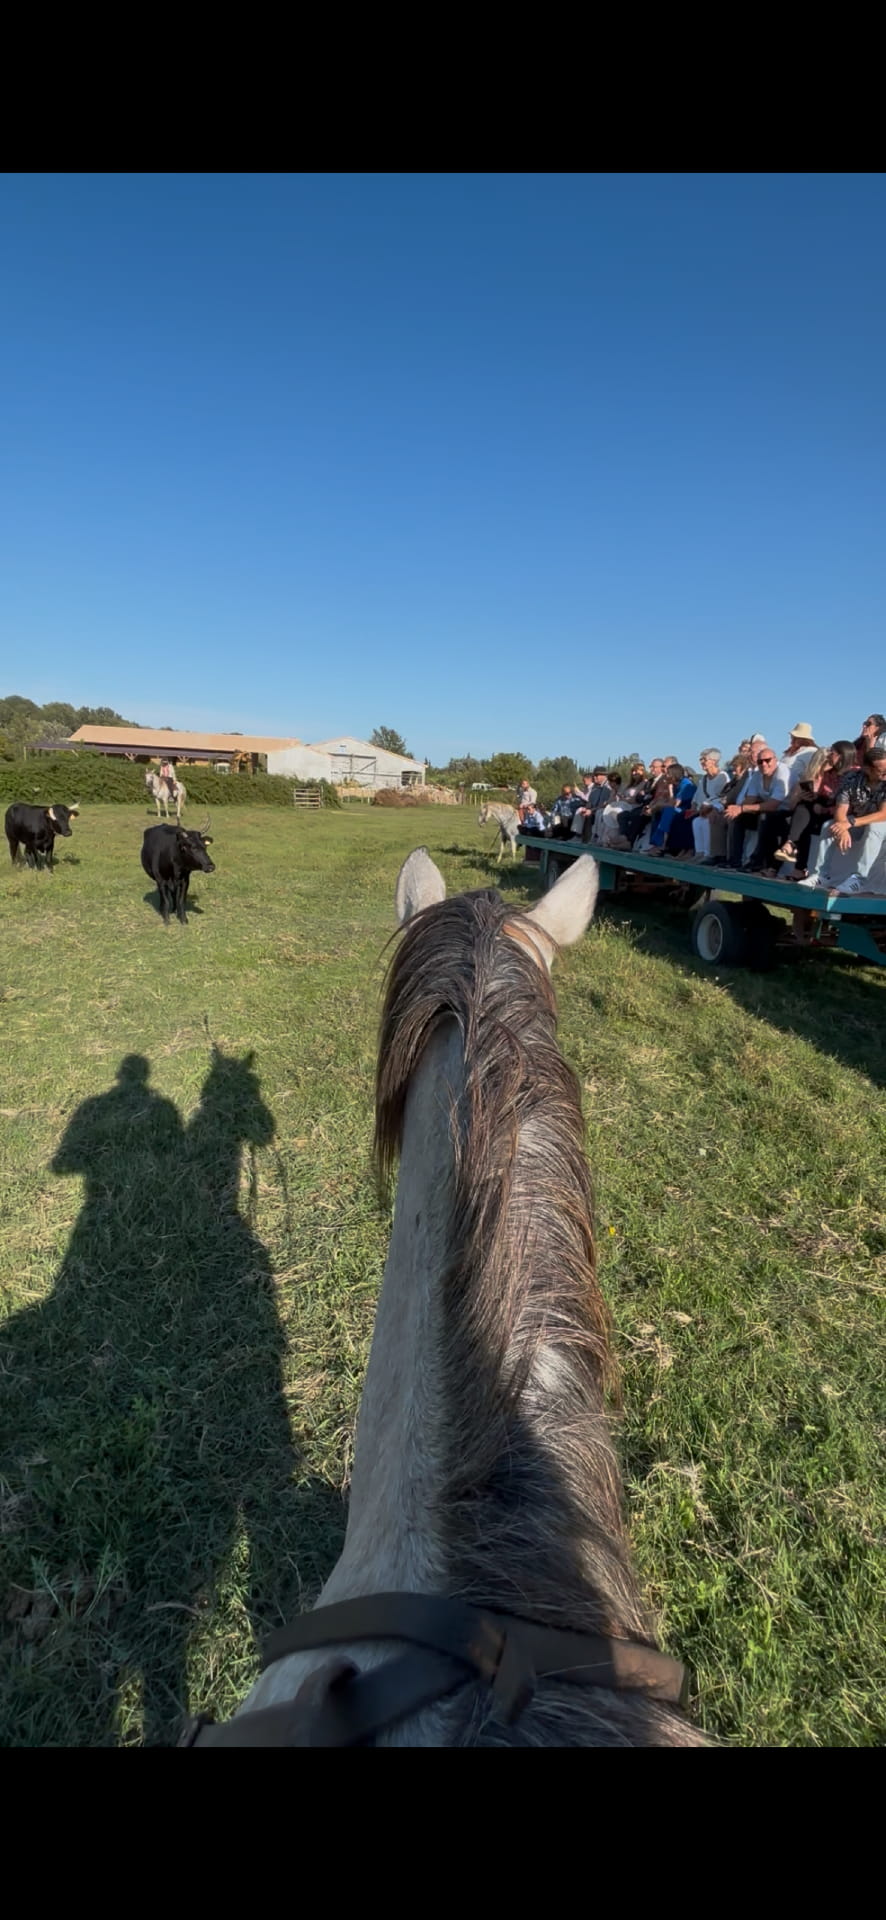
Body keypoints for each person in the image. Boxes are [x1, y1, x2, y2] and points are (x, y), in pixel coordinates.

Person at [796, 735, 886, 895]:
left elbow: (883, 814)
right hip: (857, 823)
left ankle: (860, 879)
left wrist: (849, 823)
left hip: (877, 825)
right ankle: (821, 875)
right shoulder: (851, 778)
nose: (885, 774)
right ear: (867, 769)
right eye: (881, 771)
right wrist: (842, 828)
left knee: (874, 827)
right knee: (828, 826)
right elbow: (840, 809)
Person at [775, 741, 856, 878]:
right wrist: (812, 797)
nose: (829, 755)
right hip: (826, 806)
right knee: (803, 809)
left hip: (843, 813)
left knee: (807, 819)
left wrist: (825, 809)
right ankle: (794, 854)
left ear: (842, 756)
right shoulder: (830, 774)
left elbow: (849, 803)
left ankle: (793, 849)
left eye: (833, 753)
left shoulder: (853, 775)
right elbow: (826, 795)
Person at [724, 746, 790, 870]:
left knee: (764, 817)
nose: (764, 764)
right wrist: (736, 809)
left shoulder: (782, 772)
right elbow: (750, 798)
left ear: (775, 760)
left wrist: (742, 808)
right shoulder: (757, 774)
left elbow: (773, 804)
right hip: (767, 810)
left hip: (786, 812)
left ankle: (757, 861)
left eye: (768, 760)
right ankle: (734, 860)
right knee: (737, 817)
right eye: (760, 761)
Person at [689, 749, 729, 861]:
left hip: (717, 809)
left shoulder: (722, 777)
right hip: (704, 810)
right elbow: (697, 796)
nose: (702, 762)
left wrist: (708, 806)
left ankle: (708, 853)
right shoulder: (704, 779)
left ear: (713, 761)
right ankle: (699, 852)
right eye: (701, 759)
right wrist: (694, 807)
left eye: (704, 759)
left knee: (708, 822)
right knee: (696, 822)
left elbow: (722, 796)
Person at [571, 767, 612, 840]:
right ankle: (578, 836)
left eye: (597, 775)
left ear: (604, 776)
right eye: (594, 775)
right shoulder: (595, 788)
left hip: (604, 810)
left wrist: (592, 810)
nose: (594, 777)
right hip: (595, 808)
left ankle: (591, 839)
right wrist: (587, 807)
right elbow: (590, 802)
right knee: (580, 810)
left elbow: (605, 804)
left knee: (591, 815)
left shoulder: (608, 787)